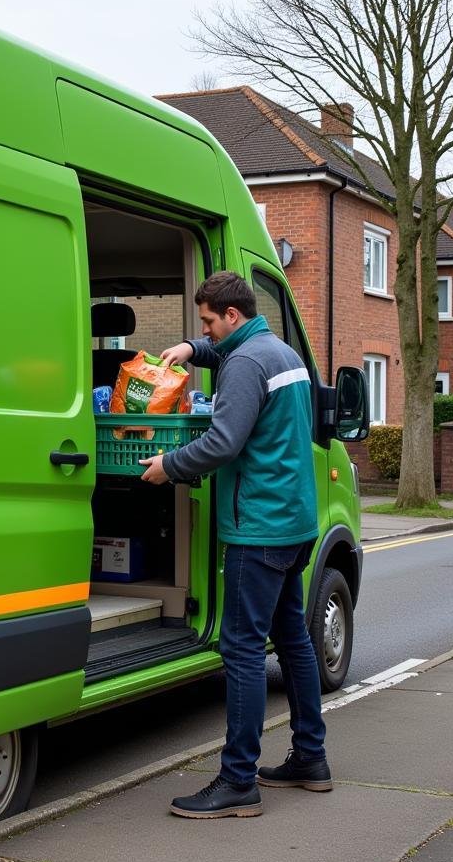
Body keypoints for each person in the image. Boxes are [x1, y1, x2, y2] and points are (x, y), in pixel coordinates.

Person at [139, 271, 331, 819]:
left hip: (258, 529)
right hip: (295, 523)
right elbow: (228, 355)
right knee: (293, 639)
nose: (205, 330)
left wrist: (168, 466)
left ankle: (237, 780)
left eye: (207, 322)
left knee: (242, 649)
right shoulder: (280, 351)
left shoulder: (245, 363)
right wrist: (191, 348)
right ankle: (310, 759)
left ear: (233, 317)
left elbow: (223, 442)